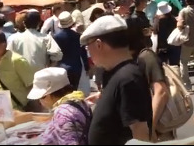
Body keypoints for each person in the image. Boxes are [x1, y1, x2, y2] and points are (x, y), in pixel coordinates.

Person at [80, 14, 152, 145]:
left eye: (87, 47)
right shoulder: (115, 74)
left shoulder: (128, 78)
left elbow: (140, 131)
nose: (88, 52)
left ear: (99, 44)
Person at [127, 16, 170, 141]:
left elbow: (161, 92)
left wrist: (151, 128)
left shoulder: (146, 57)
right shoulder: (132, 59)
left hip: (156, 131)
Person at [27, 67, 92, 145]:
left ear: (48, 95)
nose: (39, 102)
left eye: (41, 97)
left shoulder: (62, 114)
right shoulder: (80, 101)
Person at [53, 12, 89, 89]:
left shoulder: (56, 37)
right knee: (74, 90)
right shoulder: (78, 36)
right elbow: (83, 52)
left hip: (62, 67)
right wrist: (86, 67)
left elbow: (54, 53)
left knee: (63, 92)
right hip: (76, 67)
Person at [153, 1, 180, 67]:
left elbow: (155, 31)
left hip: (162, 46)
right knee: (175, 65)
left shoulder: (157, 20)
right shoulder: (173, 19)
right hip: (173, 44)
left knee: (162, 66)